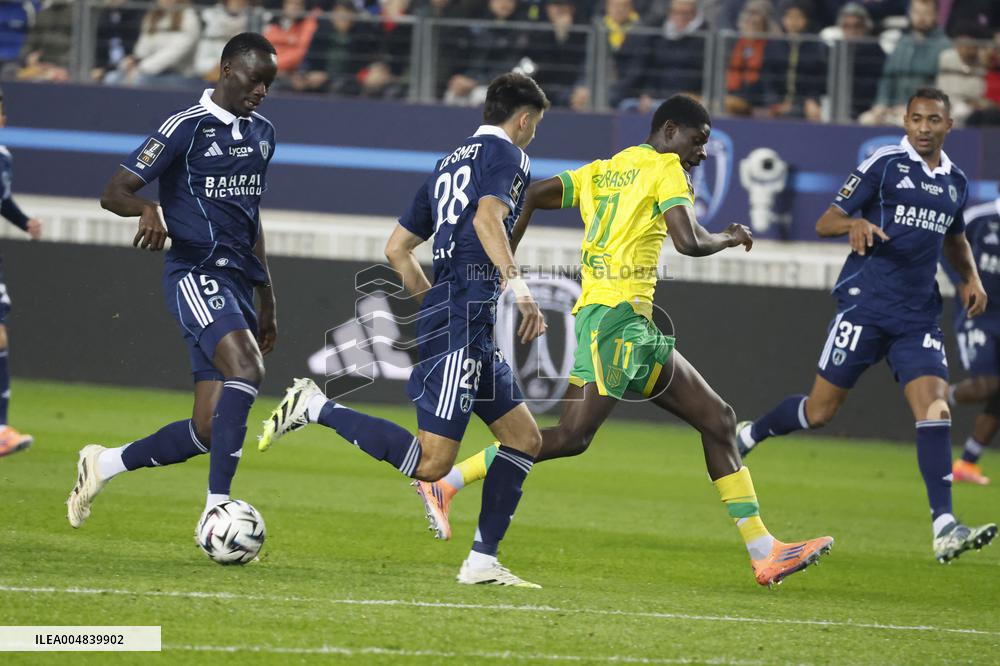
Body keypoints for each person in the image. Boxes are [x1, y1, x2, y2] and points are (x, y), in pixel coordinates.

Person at [414, 94, 834, 588]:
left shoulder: (605, 169)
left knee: (717, 418)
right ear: (671, 130)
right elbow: (690, 241)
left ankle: (765, 552)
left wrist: (509, 263)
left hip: (624, 324)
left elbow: (530, 194)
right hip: (617, 322)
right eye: (698, 142)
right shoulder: (666, 169)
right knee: (571, 437)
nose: (700, 153)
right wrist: (730, 234)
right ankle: (446, 482)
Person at [258, 73, 550, 588]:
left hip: (462, 319)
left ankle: (482, 561)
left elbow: (397, 247)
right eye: (535, 126)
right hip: (463, 318)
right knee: (432, 464)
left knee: (525, 438)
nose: (533, 135)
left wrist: (432, 302)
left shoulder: (448, 164)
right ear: (523, 119)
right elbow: (488, 221)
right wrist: (521, 291)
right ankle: (316, 406)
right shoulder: (511, 157)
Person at [736, 88, 997, 563]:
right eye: (915, 118)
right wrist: (852, 224)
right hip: (865, 306)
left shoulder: (955, 181)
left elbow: (955, 237)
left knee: (935, 407)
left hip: (917, 314)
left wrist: (971, 278)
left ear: (947, 126)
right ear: (905, 120)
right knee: (820, 412)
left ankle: (944, 525)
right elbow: (825, 221)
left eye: (932, 120)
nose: (922, 127)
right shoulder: (885, 164)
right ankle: (750, 435)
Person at [66, 33, 279, 532]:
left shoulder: (264, 133)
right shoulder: (184, 127)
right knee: (246, 370)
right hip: (195, 274)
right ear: (227, 69)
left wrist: (268, 299)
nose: (262, 91)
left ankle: (104, 464)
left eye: (270, 83)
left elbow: (252, 221)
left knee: (209, 429)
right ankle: (217, 506)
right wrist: (148, 208)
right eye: (255, 79)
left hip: (239, 282)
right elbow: (114, 190)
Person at [946, 195, 1000, 485]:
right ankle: (938, 396)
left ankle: (966, 463)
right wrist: (962, 282)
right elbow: (947, 244)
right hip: (979, 314)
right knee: (986, 386)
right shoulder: (981, 217)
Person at [0, 85, 42, 458]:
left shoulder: (3, 157)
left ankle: (0, 429)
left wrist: (24, 221)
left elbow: (3, 200)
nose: (4, 116)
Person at [861, 0, 951, 126]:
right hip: (893, 108)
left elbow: (940, 87)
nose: (921, 17)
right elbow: (888, 77)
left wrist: (912, 107)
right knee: (866, 120)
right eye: (917, 12)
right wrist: (881, 103)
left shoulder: (945, 46)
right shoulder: (902, 42)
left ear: (936, 15)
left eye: (926, 13)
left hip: (925, 112)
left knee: (902, 122)